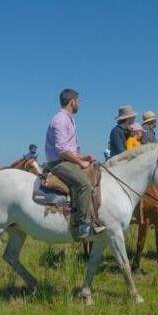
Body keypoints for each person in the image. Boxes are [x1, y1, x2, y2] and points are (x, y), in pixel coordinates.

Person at [45, 88, 103, 240]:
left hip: (67, 160)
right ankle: (83, 225)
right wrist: (80, 162)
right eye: (78, 101)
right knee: (84, 184)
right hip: (58, 162)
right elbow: (61, 150)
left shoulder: (69, 119)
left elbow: (69, 149)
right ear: (72, 101)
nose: (79, 103)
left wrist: (83, 157)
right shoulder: (60, 119)